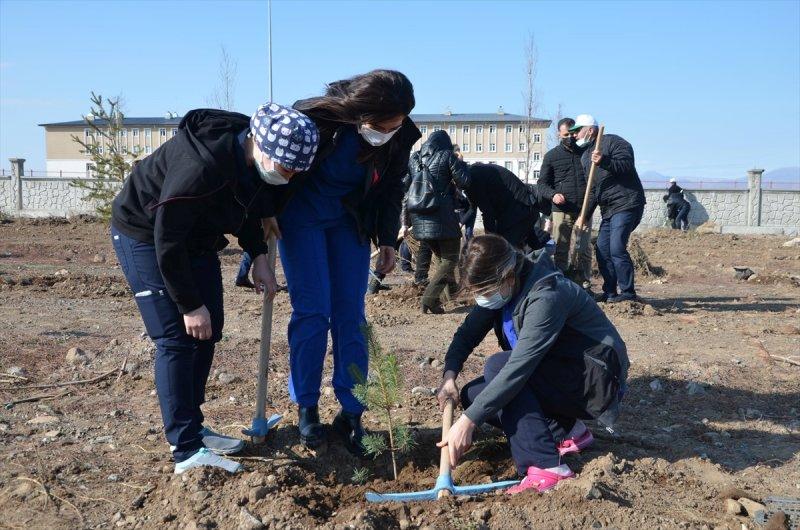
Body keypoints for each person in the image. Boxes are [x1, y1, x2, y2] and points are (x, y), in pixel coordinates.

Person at [110, 103, 320, 474]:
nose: (288, 177)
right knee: (177, 338)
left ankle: (194, 427)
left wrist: (258, 255)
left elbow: (247, 205)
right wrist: (189, 304)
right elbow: (167, 237)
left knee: (209, 330)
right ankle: (185, 450)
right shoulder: (201, 166)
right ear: (260, 145)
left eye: (295, 171)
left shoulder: (253, 161)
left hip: (196, 239)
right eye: (285, 167)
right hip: (145, 234)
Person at [270, 70, 420, 454]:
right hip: (302, 217)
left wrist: (386, 238)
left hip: (349, 221)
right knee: (312, 311)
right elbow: (277, 168)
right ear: (361, 114)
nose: (390, 133)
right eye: (383, 126)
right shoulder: (316, 120)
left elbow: (391, 187)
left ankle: (352, 411)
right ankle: (307, 406)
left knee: (351, 315)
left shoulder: (400, 134)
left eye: (396, 125)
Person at [436, 234, 629, 494]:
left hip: (596, 382)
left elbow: (519, 367)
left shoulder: (546, 295)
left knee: (498, 367)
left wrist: (467, 422)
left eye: (485, 292)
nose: (482, 298)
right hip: (563, 375)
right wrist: (449, 376)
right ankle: (567, 430)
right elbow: (466, 334)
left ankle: (547, 466)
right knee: (474, 394)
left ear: (508, 276)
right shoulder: (503, 289)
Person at [572, 114, 646, 303]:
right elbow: (593, 190)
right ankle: (610, 292)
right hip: (608, 209)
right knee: (602, 249)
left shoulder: (614, 142)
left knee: (616, 247)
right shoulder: (585, 157)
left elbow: (626, 165)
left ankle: (628, 293)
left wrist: (604, 160)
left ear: (590, 130)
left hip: (627, 202)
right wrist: (584, 215)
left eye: (577, 130)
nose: (574, 135)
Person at [405, 130, 470, 313]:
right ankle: (429, 299)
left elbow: (406, 186)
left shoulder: (415, 158)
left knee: (442, 259)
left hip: (419, 218)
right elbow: (465, 182)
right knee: (450, 260)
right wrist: (460, 162)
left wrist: (405, 222)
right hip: (442, 217)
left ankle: (450, 296)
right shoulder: (447, 155)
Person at [538, 117, 593, 289]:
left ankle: (583, 283)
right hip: (561, 210)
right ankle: (561, 284)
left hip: (584, 209)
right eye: (565, 135)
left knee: (583, 249)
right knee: (561, 248)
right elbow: (542, 184)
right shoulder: (551, 156)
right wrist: (553, 195)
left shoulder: (586, 153)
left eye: (572, 134)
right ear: (558, 134)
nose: (570, 138)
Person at [461, 163, 550, 251]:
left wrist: (489, 240)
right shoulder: (473, 173)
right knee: (528, 245)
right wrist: (461, 222)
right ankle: (545, 245)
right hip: (524, 207)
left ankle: (547, 245)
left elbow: (488, 213)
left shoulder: (475, 179)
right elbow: (472, 208)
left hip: (520, 209)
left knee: (503, 248)